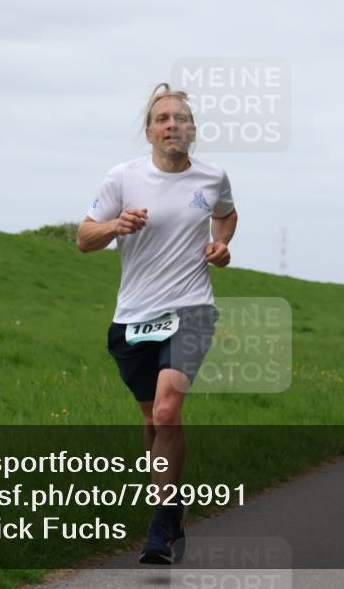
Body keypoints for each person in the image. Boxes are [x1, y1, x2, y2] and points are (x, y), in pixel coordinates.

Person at [77, 83, 237, 564]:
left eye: (180, 118)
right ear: (149, 131)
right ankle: (173, 504)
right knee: (152, 419)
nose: (172, 125)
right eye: (163, 118)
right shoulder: (122, 177)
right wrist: (114, 226)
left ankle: (162, 526)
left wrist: (221, 245)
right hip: (133, 315)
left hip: (191, 308)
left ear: (193, 129)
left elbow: (226, 217)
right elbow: (84, 238)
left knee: (167, 412)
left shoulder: (213, 177)